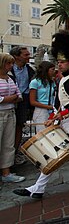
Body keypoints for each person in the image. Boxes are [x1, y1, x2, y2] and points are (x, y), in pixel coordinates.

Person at [13, 25, 69, 199]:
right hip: (63, 119)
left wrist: (65, 113)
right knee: (55, 152)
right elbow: (59, 103)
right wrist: (54, 117)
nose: (58, 64)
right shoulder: (62, 78)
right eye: (58, 61)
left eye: (62, 61)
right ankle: (38, 188)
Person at [0, 53, 25, 183]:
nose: (11, 66)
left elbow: (18, 93)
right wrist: (7, 99)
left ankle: (6, 172)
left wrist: (14, 98)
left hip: (10, 112)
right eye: (8, 63)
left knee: (8, 143)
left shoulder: (10, 78)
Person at [9, 46, 34, 166]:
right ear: (17, 57)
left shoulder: (29, 69)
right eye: (26, 55)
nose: (29, 56)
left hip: (23, 101)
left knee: (19, 126)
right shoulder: (8, 69)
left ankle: (15, 152)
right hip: (9, 101)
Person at [29, 61, 56, 132]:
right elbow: (32, 101)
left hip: (52, 109)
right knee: (42, 132)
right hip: (41, 110)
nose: (54, 71)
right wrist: (48, 106)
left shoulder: (52, 82)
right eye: (52, 69)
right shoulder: (35, 82)